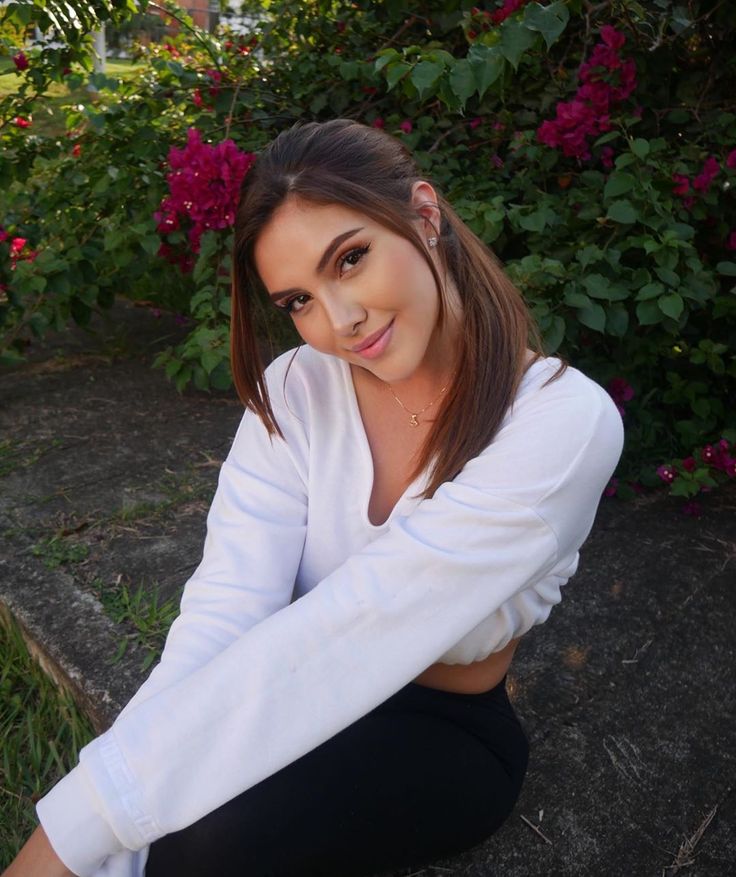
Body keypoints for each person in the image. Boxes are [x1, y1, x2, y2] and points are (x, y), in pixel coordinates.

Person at [4, 119, 624, 877]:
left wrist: (70, 834)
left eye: (352, 259)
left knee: (210, 842)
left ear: (425, 216)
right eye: (299, 299)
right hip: (283, 677)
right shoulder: (297, 388)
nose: (339, 320)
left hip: (440, 727)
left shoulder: (562, 420)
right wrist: (106, 812)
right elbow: (226, 606)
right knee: (161, 822)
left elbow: (358, 625)